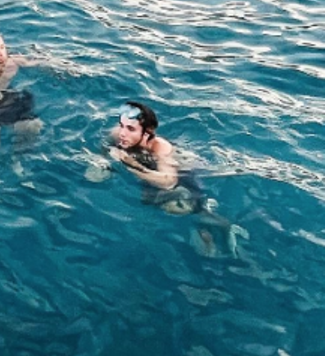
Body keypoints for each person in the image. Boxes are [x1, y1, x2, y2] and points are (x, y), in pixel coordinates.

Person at [106, 101, 247, 255]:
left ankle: (223, 227)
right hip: (152, 169)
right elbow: (105, 148)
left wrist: (130, 165)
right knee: (148, 200)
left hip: (181, 174)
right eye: (121, 126)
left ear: (147, 132)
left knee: (185, 205)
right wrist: (104, 163)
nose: (122, 133)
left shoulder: (161, 147)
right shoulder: (118, 135)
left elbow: (168, 182)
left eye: (131, 129)